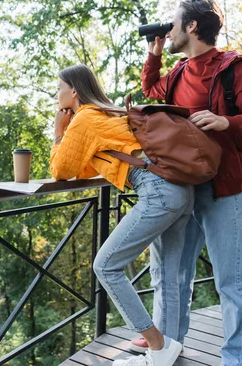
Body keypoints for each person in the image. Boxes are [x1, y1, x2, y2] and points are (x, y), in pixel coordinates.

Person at [132, 0, 242, 365]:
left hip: (223, 189)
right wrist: (155, 53)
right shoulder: (180, 72)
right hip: (179, 188)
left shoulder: (238, 68)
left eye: (175, 20)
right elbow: (151, 92)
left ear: (192, 26)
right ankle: (169, 347)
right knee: (171, 277)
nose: (170, 26)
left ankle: (237, 358)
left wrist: (226, 121)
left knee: (231, 282)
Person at [51, 64, 193, 366]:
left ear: (73, 90)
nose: (56, 93)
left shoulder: (85, 118)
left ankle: (157, 344)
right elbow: (87, 167)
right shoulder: (107, 114)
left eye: (59, 87)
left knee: (105, 266)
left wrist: (57, 133)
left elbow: (61, 171)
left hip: (157, 191)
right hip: (180, 190)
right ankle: (162, 354)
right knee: (166, 275)